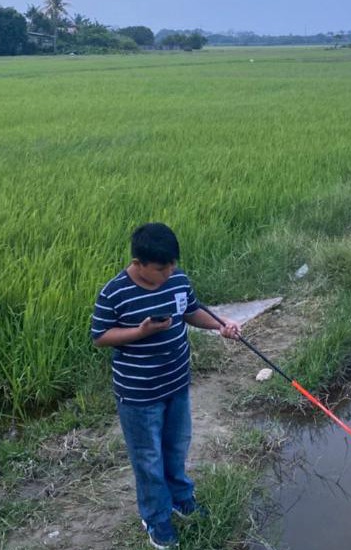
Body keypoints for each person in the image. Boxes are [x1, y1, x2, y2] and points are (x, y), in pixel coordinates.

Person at [91, 222, 240, 549]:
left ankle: (181, 499)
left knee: (176, 446)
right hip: (139, 395)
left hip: (177, 383)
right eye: (161, 268)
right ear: (139, 263)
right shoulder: (114, 293)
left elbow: (191, 311)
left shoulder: (177, 278)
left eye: (172, 264)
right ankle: (156, 519)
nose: (169, 272)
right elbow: (100, 336)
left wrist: (220, 325)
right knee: (148, 459)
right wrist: (140, 332)